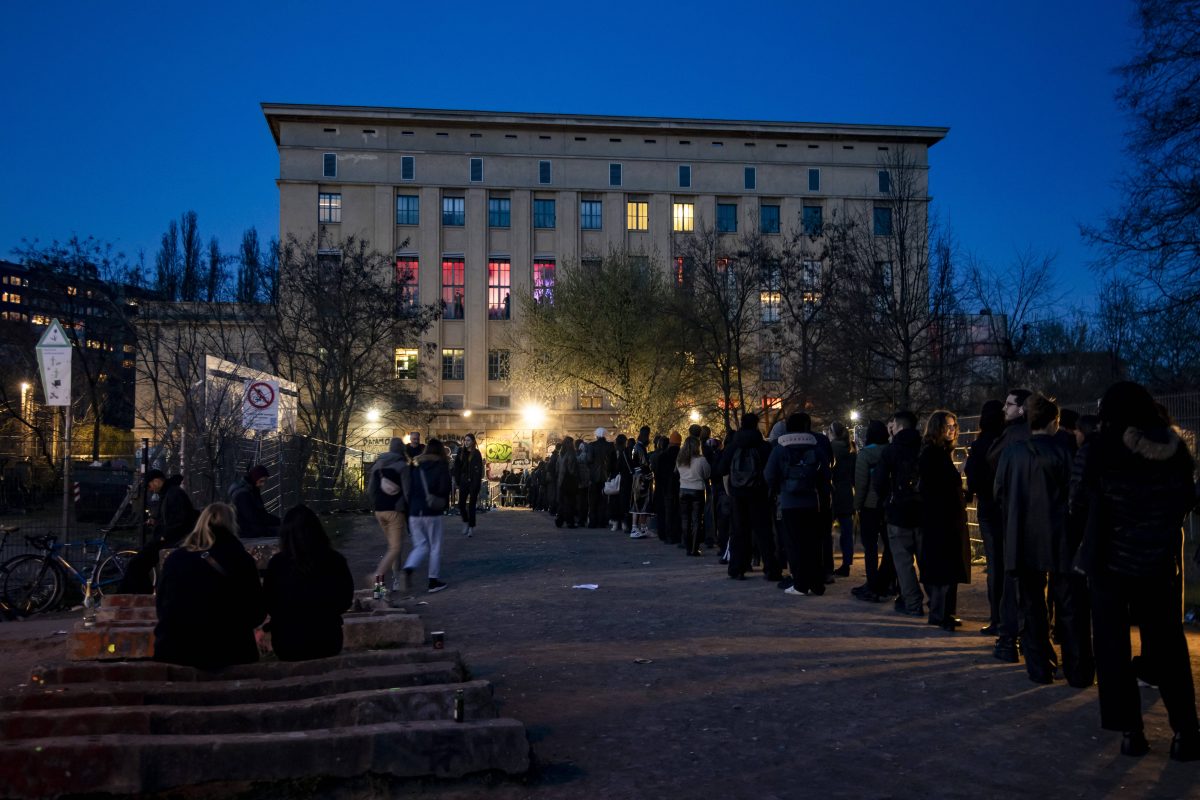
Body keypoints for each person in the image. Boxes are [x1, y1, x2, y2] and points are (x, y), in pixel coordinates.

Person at [1073, 381, 1199, 760]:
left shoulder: (1099, 448)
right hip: (1158, 562)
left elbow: (1077, 502)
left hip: (1109, 564)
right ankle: (1186, 732)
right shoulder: (1174, 449)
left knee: (1112, 648)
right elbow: (1186, 501)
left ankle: (1131, 732)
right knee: (1169, 646)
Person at [994, 394, 1091, 685]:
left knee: (1031, 605)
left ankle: (1039, 668)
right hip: (1061, 537)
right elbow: (1075, 494)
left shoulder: (1012, 454)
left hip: (1023, 537)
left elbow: (1000, 492)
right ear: (1054, 422)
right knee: (1070, 605)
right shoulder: (1065, 451)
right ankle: (1078, 670)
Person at [153, 502, 266, 670]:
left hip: (177, 650)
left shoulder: (175, 559)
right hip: (231, 651)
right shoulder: (241, 560)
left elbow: (162, 607)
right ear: (232, 524)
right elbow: (256, 612)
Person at [263, 505, 354, 661]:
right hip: (327, 641)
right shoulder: (335, 560)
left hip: (287, 644)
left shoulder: (277, 565)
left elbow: (269, 603)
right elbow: (345, 601)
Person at [986, 388, 1032, 659]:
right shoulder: (1048, 440)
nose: (1005, 409)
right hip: (1038, 520)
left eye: (1009, 404)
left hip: (1015, 516)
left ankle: (1008, 639)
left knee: (1012, 579)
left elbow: (995, 464)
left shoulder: (1013, 438)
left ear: (1022, 409)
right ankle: (1031, 640)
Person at [765, 412, 832, 596]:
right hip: (812, 501)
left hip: (789, 502)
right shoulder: (816, 447)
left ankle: (800, 583)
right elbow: (826, 475)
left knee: (794, 543)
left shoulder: (780, 449)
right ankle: (817, 583)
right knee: (813, 543)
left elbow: (769, 475)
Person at [917, 411, 970, 632]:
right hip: (941, 519)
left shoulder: (940, 452)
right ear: (937, 428)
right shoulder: (933, 454)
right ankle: (942, 613)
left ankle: (944, 612)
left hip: (943, 518)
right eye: (947, 426)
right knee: (945, 568)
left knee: (945, 567)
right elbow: (939, 487)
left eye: (954, 425)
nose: (952, 429)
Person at [964, 400, 1008, 639]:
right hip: (1007, 508)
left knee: (995, 565)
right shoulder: (1010, 440)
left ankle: (996, 617)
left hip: (989, 507)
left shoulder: (980, 444)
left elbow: (972, 476)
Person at [715, 413, 778, 582]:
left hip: (738, 495)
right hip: (759, 493)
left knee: (739, 532)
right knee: (764, 532)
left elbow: (721, 469)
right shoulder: (763, 447)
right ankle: (771, 569)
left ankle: (737, 568)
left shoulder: (733, 446)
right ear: (756, 425)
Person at [875, 410, 925, 617]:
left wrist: (887, 499)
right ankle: (937, 603)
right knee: (925, 559)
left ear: (896, 424)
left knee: (903, 561)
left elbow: (879, 481)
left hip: (898, 511)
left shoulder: (890, 451)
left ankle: (913, 603)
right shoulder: (925, 448)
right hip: (923, 511)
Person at [119, 470, 197, 594]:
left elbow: (181, 520)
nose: (150, 489)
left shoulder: (173, 494)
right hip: (166, 539)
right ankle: (138, 594)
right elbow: (172, 517)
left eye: (150, 485)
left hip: (168, 540)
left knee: (137, 564)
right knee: (138, 564)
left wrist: (164, 536)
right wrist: (156, 522)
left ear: (157, 481)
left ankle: (134, 595)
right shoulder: (170, 493)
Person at [399, 438, 453, 594]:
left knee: (421, 545)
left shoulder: (415, 465)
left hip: (415, 511)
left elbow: (408, 487)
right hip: (432, 510)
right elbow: (445, 488)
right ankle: (433, 581)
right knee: (435, 545)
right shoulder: (441, 465)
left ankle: (408, 570)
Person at [852, 421, 891, 602]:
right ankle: (890, 584)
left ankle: (872, 584)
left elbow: (861, 484)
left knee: (870, 547)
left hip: (870, 505)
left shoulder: (866, 454)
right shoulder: (891, 450)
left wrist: (857, 505)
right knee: (891, 546)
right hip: (890, 504)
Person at [366, 437, 407, 591]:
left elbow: (370, 490)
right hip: (395, 510)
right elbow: (407, 491)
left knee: (391, 547)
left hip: (379, 510)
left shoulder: (378, 464)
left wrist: (376, 503)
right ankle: (381, 578)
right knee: (395, 548)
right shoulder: (403, 466)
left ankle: (384, 588)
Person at [676, 432, 711, 556]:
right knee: (696, 520)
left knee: (685, 519)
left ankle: (687, 546)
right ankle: (694, 548)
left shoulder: (680, 459)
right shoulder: (701, 460)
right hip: (697, 490)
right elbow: (707, 474)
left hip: (683, 489)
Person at [829, 421, 857, 576]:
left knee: (828, 531)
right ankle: (846, 563)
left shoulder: (830, 449)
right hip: (847, 493)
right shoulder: (850, 450)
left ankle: (828, 562)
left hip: (833, 493)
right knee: (847, 532)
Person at [228, 464, 281, 539]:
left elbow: (261, 513)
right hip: (245, 531)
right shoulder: (243, 494)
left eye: (265, 481)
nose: (263, 484)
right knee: (281, 531)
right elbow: (253, 517)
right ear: (255, 479)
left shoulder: (253, 490)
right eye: (261, 481)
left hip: (253, 528)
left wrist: (279, 521)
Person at [452, 433, 484, 537]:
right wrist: (457, 481)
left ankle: (471, 527)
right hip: (464, 481)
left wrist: (477, 483)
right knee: (461, 504)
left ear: (473, 442)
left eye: (468, 440)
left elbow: (479, 470)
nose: (466, 442)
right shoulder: (461, 452)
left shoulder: (476, 453)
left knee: (471, 506)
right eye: (465, 440)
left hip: (474, 482)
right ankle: (465, 522)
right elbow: (456, 467)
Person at [587, 428, 616, 528]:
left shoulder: (592, 445)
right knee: (603, 500)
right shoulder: (610, 446)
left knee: (593, 500)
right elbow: (613, 461)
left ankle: (592, 522)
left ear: (596, 435)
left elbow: (589, 459)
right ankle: (602, 521)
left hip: (594, 477)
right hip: (606, 476)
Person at [555, 436, 583, 529]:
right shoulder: (571, 453)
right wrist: (578, 478)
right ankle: (570, 522)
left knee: (562, 502)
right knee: (570, 502)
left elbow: (557, 468)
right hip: (570, 480)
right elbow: (572, 469)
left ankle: (560, 520)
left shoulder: (561, 454)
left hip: (561, 480)